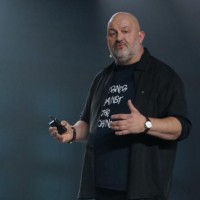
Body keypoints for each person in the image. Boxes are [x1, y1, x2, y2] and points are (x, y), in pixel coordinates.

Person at [49, 12, 191, 200]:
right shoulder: (102, 78)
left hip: (142, 193)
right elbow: (89, 122)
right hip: (99, 190)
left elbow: (182, 127)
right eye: (112, 33)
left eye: (125, 31)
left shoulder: (163, 76)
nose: (119, 38)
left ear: (140, 37)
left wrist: (145, 124)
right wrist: (73, 132)